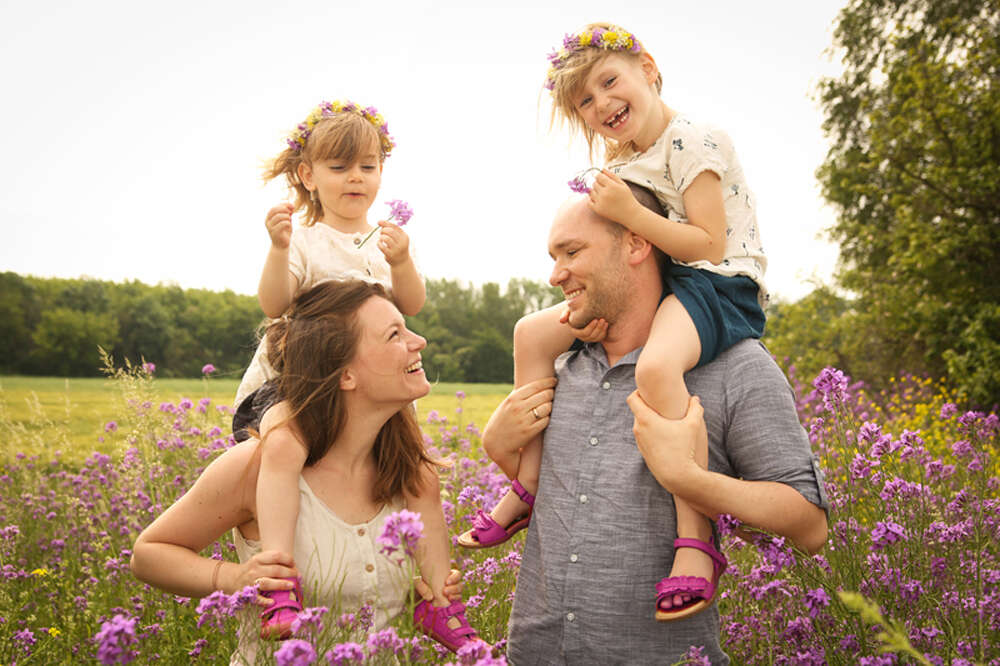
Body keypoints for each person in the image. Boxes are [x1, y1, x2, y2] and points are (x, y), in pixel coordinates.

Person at [460, 22, 767, 623]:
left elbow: (707, 242)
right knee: (531, 333)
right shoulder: (624, 156)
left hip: (719, 284)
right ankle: (528, 485)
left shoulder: (693, 140)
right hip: (664, 280)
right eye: (585, 102)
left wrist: (627, 211)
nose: (602, 104)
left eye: (609, 82)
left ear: (648, 69)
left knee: (655, 366)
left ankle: (695, 540)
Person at [482, 195, 829, 664]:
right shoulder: (558, 369)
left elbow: (809, 525)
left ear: (636, 244)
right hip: (534, 652)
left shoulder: (737, 368)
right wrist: (501, 450)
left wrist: (690, 481)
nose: (555, 275)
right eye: (553, 257)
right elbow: (568, 503)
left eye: (572, 252)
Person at [131, 280, 480, 660]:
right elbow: (148, 554)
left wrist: (399, 591)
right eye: (394, 334)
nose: (419, 341)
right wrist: (233, 578)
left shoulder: (408, 473)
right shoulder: (257, 466)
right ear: (345, 374)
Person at [231, 100, 430, 638]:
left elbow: (411, 302)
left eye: (367, 166)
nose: (356, 178)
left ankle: (434, 594)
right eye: (340, 167)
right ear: (307, 175)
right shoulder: (304, 237)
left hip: (363, 389)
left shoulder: (384, 241)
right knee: (283, 450)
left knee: (418, 472)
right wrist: (277, 248)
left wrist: (404, 260)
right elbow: (274, 304)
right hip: (292, 385)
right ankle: (278, 578)